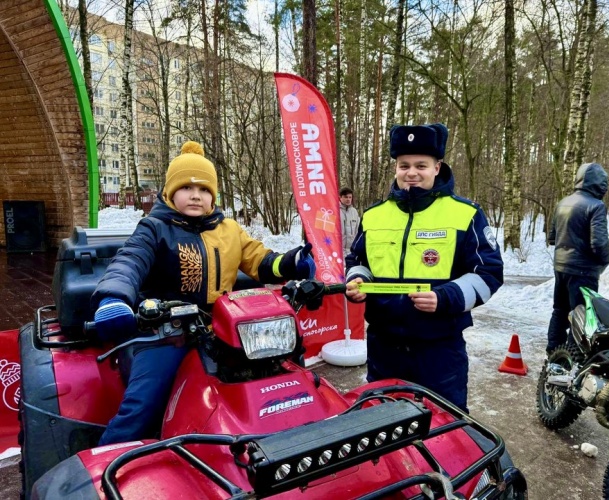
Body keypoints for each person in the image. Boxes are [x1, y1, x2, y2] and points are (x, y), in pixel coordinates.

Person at [91, 141, 315, 445]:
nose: (196, 195)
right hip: (166, 333)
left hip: (221, 331)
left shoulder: (229, 229)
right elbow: (130, 261)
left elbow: (261, 261)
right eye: (186, 187)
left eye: (205, 189)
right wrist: (114, 297)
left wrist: (292, 262)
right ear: (170, 192)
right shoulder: (154, 228)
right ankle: (105, 467)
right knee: (143, 407)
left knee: (275, 378)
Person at [344, 123, 503, 413]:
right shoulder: (374, 215)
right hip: (384, 347)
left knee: (445, 430)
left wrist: (446, 297)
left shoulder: (466, 214)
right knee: (381, 428)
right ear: (395, 168)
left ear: (437, 167)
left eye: (421, 165)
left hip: (439, 350)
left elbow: (488, 272)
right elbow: (358, 260)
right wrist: (357, 280)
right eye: (404, 165)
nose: (412, 172)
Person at [546, 162, 609, 354]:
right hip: (583, 270)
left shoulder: (563, 202)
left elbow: (552, 237)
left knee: (560, 311)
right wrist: (606, 260)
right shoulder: (596, 206)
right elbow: (599, 243)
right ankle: (573, 356)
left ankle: (554, 352)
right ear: (600, 184)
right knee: (581, 314)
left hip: (560, 266)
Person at [339, 187, 360, 256]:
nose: (348, 199)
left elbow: (358, 230)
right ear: (340, 197)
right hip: (338, 250)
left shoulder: (354, 212)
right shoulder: (335, 211)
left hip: (351, 251)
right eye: (345, 197)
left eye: (350, 197)